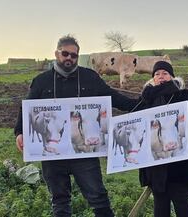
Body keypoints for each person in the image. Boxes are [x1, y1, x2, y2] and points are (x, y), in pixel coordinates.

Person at [14, 35, 139, 217]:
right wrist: (19, 131)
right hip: (52, 153)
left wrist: (142, 104)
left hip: (84, 152)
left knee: (98, 197)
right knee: (60, 201)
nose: (69, 58)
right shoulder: (42, 81)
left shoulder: (90, 78)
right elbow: (27, 108)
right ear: (57, 54)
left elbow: (114, 98)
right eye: (65, 54)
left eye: (74, 55)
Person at [137, 61, 188, 217]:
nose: (161, 76)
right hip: (155, 164)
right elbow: (138, 129)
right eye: (157, 74)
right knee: (160, 202)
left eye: (165, 73)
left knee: (181, 200)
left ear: (172, 76)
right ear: (152, 79)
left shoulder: (184, 96)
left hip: (179, 164)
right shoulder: (145, 100)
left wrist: (185, 145)